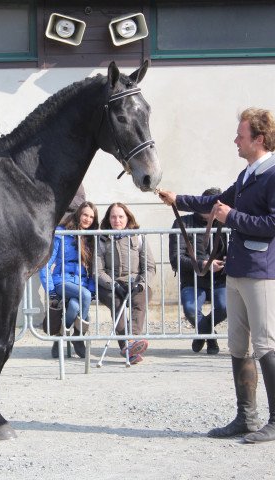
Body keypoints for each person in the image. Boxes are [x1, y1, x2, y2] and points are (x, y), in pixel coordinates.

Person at [158, 107, 275, 443]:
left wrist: (233, 217)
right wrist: (177, 199)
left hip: (262, 272)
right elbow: (214, 203)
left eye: (241, 135)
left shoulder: (272, 174)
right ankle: (246, 416)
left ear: (259, 139)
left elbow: (271, 224)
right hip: (239, 272)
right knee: (239, 346)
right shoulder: (247, 175)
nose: (235, 141)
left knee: (266, 345)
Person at [168, 187, 228, 355]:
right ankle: (210, 336)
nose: (216, 211)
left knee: (224, 307)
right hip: (192, 280)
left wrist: (225, 263)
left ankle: (202, 333)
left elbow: (235, 253)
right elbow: (176, 258)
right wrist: (204, 264)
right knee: (190, 308)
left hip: (219, 280)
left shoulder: (227, 223)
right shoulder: (184, 223)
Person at [96, 202, 155, 365]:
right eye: (113, 217)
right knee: (117, 303)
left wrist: (141, 284)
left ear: (127, 218)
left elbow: (149, 267)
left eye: (121, 216)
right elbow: (97, 270)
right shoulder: (101, 239)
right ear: (108, 219)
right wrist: (112, 284)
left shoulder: (139, 237)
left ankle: (132, 342)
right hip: (110, 283)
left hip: (135, 281)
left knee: (139, 301)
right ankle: (127, 347)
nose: (117, 220)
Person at [40, 201, 98, 359]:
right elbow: (46, 263)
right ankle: (78, 338)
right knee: (84, 296)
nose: (87, 219)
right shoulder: (61, 233)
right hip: (61, 281)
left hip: (82, 283)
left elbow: (94, 270)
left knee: (73, 306)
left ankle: (59, 339)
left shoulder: (91, 238)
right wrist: (50, 289)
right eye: (85, 214)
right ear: (79, 214)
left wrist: (92, 288)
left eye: (91, 217)